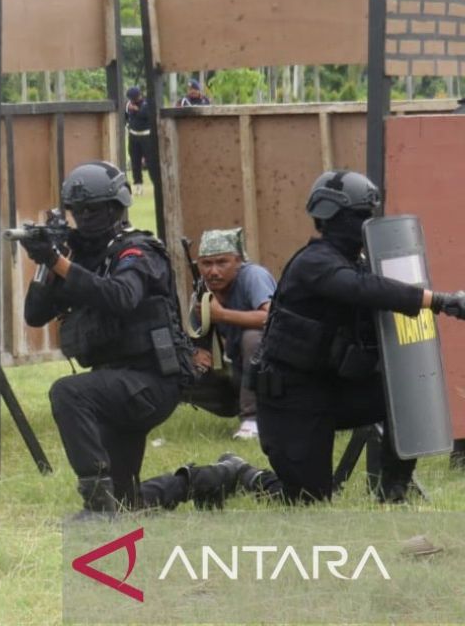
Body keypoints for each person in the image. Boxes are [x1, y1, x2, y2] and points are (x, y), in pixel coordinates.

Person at [150, 171, 465, 509]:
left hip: (334, 389)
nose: (364, 223)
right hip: (291, 399)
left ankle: (393, 492)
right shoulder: (315, 263)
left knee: (402, 396)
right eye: (358, 216)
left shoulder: (353, 262)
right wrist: (439, 301)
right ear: (334, 217)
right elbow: (359, 289)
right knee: (307, 500)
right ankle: (237, 473)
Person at [18, 160, 194, 517]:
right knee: (127, 501)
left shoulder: (138, 251)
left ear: (116, 207)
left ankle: (96, 505)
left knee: (68, 391)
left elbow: (120, 296)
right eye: (77, 211)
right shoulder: (78, 257)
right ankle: (209, 478)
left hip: (152, 382)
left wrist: (59, 263)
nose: (84, 218)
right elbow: (34, 316)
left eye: (93, 210)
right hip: (115, 385)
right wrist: (48, 262)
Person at [179, 227, 275, 440]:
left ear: (238, 261)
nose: (213, 271)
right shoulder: (203, 293)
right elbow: (195, 339)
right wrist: (195, 352)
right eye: (206, 264)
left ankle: (252, 418)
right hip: (237, 371)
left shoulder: (253, 276)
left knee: (252, 337)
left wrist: (221, 315)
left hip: (273, 371)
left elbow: (271, 318)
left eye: (222, 262)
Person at [123, 86, 157, 196]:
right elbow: (125, 117)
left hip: (146, 136)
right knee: (135, 162)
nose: (132, 100)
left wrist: (137, 110)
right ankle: (138, 186)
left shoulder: (146, 103)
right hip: (133, 135)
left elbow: (147, 115)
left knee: (151, 162)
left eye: (134, 98)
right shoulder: (128, 105)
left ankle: (156, 184)